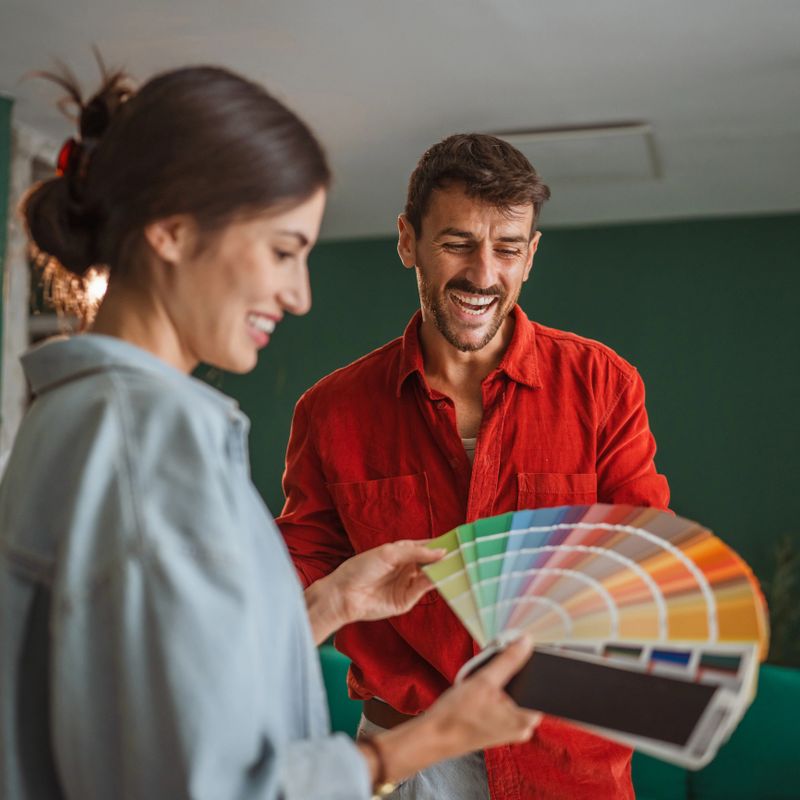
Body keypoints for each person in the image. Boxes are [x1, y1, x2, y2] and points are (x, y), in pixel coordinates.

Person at [0, 66, 544, 800]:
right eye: (283, 251)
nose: (299, 293)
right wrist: (428, 743)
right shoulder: (150, 440)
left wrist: (331, 605)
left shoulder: (68, 414)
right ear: (170, 229)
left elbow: (155, 684)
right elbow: (205, 783)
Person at [278, 133, 671, 799]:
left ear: (530, 256)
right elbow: (294, 580)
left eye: (508, 249)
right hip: (409, 761)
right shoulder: (330, 410)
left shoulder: (605, 385)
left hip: (566, 758)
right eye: (458, 242)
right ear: (408, 241)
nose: (483, 273)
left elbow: (642, 560)